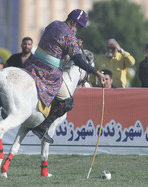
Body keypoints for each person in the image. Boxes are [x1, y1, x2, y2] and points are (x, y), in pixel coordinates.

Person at [26, 9, 104, 144]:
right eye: (79, 26)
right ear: (73, 22)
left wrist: (74, 45)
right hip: (49, 72)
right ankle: (41, 126)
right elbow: (79, 61)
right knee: (67, 102)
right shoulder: (70, 37)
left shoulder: (53, 24)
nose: (79, 30)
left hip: (32, 64)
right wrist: (96, 72)